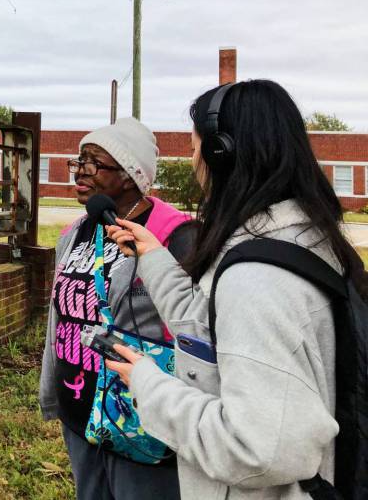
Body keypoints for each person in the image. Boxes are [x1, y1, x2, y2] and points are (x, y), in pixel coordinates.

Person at [105, 80, 368, 499]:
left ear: (220, 153)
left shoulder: (259, 281)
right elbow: (208, 329)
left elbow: (256, 449)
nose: (194, 163)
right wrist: (152, 256)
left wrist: (148, 385)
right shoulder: (297, 238)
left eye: (195, 149)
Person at [38, 118, 193, 500]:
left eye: (94, 163)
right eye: (79, 161)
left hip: (138, 415)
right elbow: (59, 318)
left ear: (130, 175)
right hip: (79, 409)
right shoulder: (76, 231)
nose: (80, 172)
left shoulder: (175, 235)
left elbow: (193, 325)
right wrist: (51, 392)